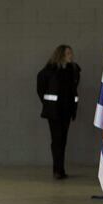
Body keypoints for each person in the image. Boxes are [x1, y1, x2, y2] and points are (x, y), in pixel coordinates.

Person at [37, 44, 80, 180]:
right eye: (68, 53)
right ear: (60, 54)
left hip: (67, 111)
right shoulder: (49, 70)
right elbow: (41, 88)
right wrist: (48, 104)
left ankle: (60, 169)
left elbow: (74, 89)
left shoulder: (73, 70)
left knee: (63, 140)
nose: (70, 55)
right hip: (54, 112)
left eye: (71, 53)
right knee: (57, 140)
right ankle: (57, 170)